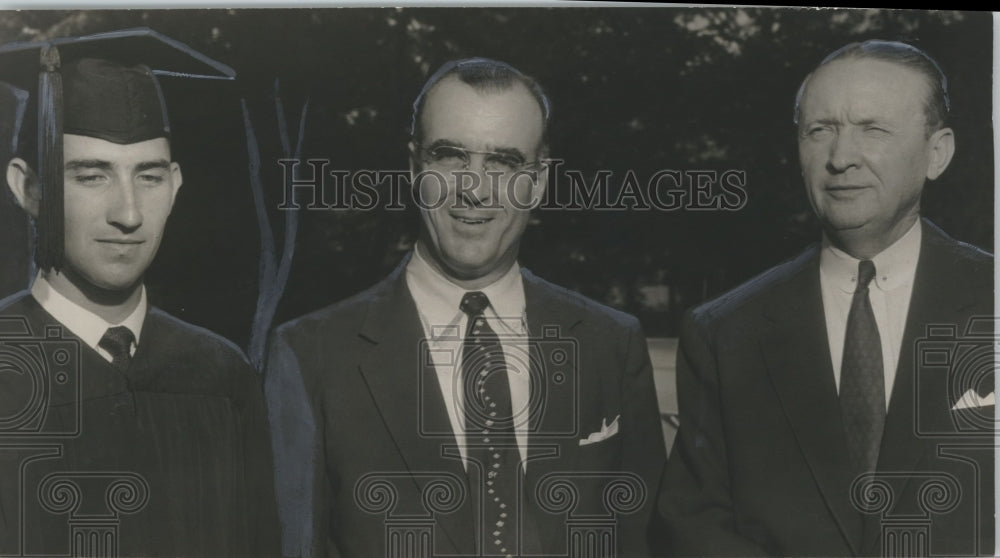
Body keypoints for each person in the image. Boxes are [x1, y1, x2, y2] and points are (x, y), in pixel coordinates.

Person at [266, 58, 666, 557]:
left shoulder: (611, 343)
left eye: (504, 162)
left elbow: (644, 543)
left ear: (538, 181)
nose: (474, 187)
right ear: (415, 167)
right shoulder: (311, 356)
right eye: (450, 156)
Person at [660, 40, 994, 557]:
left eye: (872, 129)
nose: (840, 158)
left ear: (937, 153)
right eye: (820, 131)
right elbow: (692, 526)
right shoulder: (725, 332)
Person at [0, 29, 279, 557]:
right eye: (92, 175)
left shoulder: (220, 373)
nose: (128, 214)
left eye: (148, 177)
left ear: (175, 185)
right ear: (27, 188)